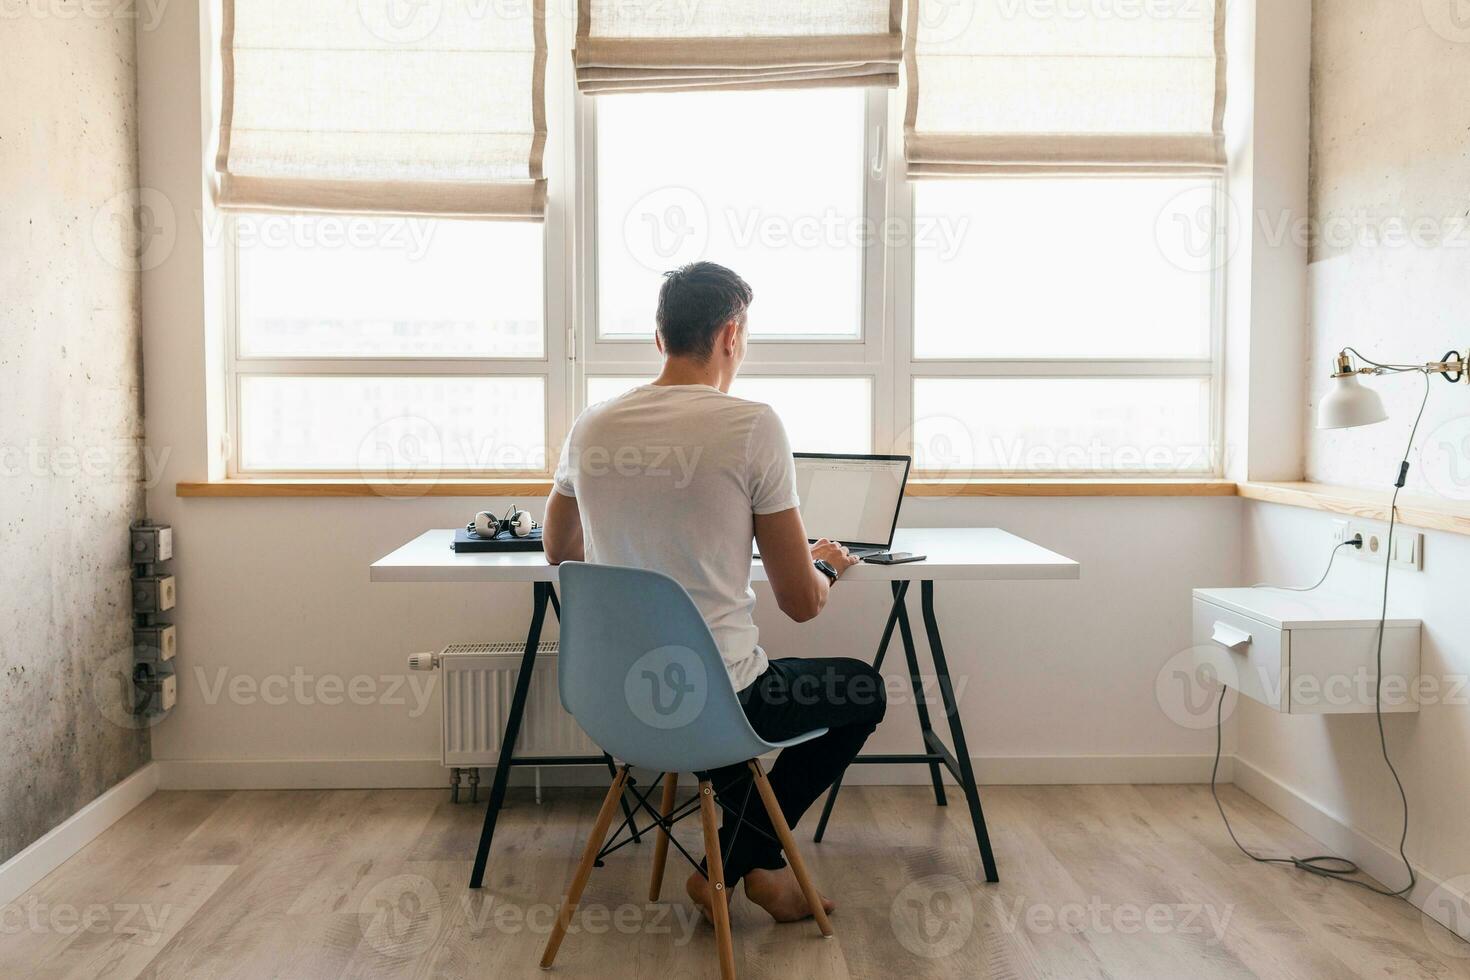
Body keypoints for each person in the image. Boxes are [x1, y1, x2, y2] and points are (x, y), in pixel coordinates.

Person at [542, 261, 886, 924]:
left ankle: (743, 868)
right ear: (731, 335)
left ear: (659, 338)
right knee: (861, 691)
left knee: (712, 711)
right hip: (716, 699)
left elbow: (560, 551)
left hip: (616, 699)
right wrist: (829, 566)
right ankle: (733, 869)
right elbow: (801, 603)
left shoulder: (592, 425)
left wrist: (651, 551)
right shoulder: (751, 426)